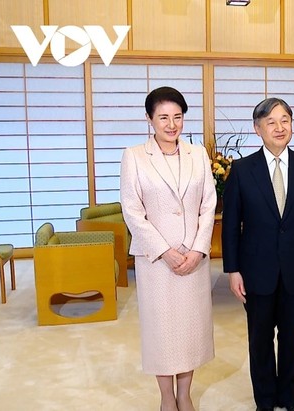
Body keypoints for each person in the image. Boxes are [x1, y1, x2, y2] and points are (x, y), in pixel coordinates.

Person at [222, 97, 294, 411]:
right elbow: (230, 225)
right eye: (271, 122)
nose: (279, 127)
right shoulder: (241, 170)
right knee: (260, 340)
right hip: (256, 270)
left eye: (285, 120)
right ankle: (265, 401)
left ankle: (291, 398)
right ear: (258, 129)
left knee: (293, 337)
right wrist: (233, 270)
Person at [120, 86, 216, 411]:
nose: (171, 124)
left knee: (190, 330)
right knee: (161, 330)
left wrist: (199, 249)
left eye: (177, 117)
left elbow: (208, 204)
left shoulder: (197, 155)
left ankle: (185, 394)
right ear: (150, 119)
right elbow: (132, 210)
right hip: (156, 260)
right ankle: (166, 398)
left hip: (193, 258)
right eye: (163, 117)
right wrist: (164, 250)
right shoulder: (134, 156)